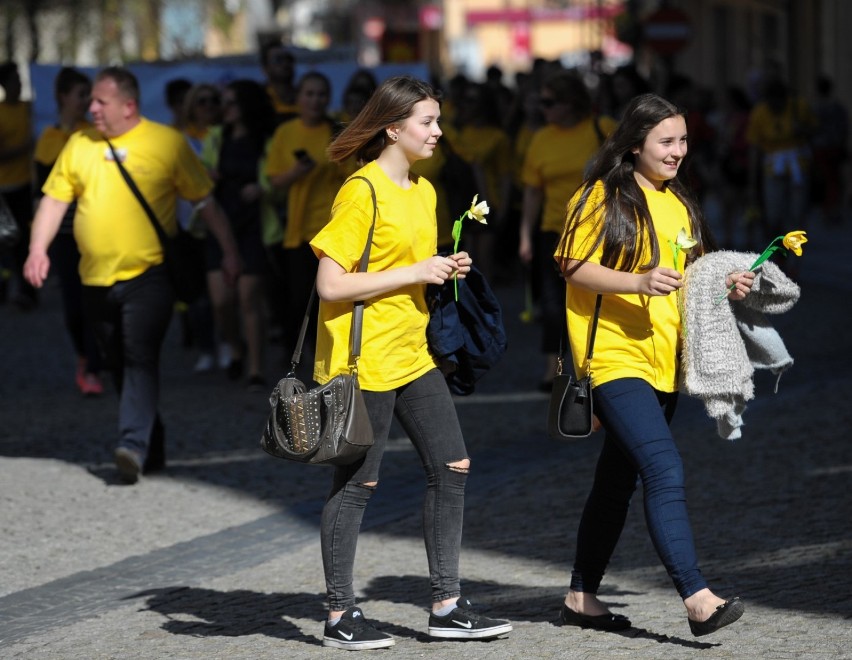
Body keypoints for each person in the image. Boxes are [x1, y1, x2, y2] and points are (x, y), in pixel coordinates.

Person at [310, 75, 513, 650]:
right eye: (427, 121)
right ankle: (338, 616)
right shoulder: (362, 190)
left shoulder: (423, 191)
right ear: (393, 127)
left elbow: (411, 267)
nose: (438, 132)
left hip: (413, 352)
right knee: (357, 484)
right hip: (361, 359)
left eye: (438, 121)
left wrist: (445, 267)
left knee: (453, 467)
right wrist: (416, 272)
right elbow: (330, 283)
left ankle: (446, 606)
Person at [554, 93, 754, 637]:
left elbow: (690, 277)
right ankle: (698, 598)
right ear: (635, 143)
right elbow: (572, 265)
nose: (678, 151)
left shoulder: (677, 202)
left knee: (614, 484)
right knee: (663, 470)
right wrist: (636, 281)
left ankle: (580, 595)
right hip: (612, 359)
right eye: (666, 141)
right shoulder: (600, 197)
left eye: (683, 140)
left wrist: (723, 285)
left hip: (663, 361)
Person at [23, 66, 241, 484]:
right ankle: (150, 443)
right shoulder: (79, 144)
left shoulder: (166, 143)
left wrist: (229, 252)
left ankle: (131, 443)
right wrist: (37, 250)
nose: (92, 109)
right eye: (90, 102)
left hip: (150, 275)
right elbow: (52, 202)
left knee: (140, 354)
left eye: (100, 102)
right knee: (117, 362)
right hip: (94, 278)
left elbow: (206, 204)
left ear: (129, 105)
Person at [518, 70, 616, 389]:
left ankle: (600, 363)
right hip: (554, 232)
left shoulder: (601, 130)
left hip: (599, 231)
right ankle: (554, 370)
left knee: (596, 298)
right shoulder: (542, 138)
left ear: (571, 103)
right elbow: (533, 191)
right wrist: (525, 235)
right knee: (552, 303)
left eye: (549, 102)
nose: (543, 109)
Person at [266, 71, 346, 371]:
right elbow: (274, 181)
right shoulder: (286, 133)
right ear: (299, 98)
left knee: (332, 298)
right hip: (299, 233)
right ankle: (297, 359)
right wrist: (298, 171)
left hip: (333, 230)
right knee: (299, 300)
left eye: (321, 94)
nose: (315, 100)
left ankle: (329, 360)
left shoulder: (337, 131)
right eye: (309, 94)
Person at [32, 66, 104, 396]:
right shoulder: (48, 140)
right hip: (62, 234)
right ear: (63, 98)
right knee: (73, 305)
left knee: (96, 299)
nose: (87, 102)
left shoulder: (96, 135)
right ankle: (83, 355)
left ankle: (95, 364)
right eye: (81, 96)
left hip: (93, 228)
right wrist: (39, 244)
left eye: (90, 96)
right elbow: (40, 194)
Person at [204, 79, 277, 390]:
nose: (226, 108)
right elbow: (198, 176)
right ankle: (235, 346)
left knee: (249, 297)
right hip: (220, 223)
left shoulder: (266, 141)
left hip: (254, 224)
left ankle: (256, 369)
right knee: (222, 299)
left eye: (232, 102)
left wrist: (261, 188)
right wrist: (208, 175)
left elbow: (275, 176)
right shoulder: (216, 138)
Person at [0, 61, 37, 310]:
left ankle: (27, 292)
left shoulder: (29, 109)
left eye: (21, 81)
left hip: (25, 185)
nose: (19, 86)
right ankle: (5, 288)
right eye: (15, 81)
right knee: (5, 242)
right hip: (3, 190)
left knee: (25, 240)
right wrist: (25, 148)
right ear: (4, 85)